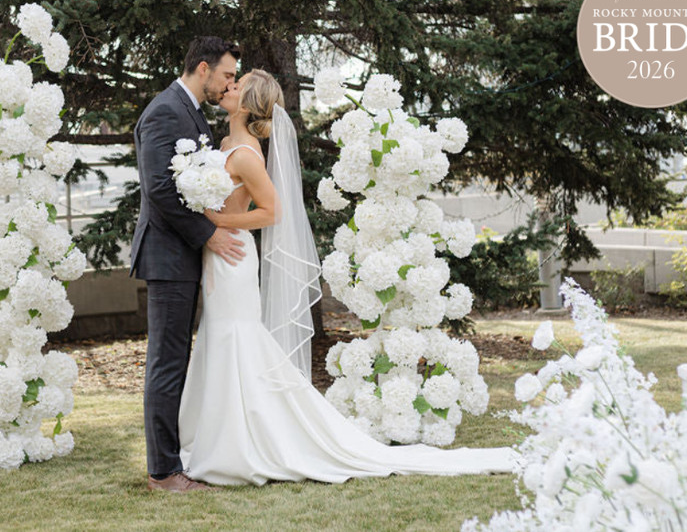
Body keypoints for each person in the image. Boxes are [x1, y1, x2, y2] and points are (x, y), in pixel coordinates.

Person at [176, 69, 516, 486]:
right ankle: (219, 435)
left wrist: (217, 220)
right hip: (218, 257)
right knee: (219, 335)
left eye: (237, 84)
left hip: (233, 255)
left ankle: (242, 444)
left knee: (237, 338)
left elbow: (273, 211)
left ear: (247, 104)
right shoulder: (227, 143)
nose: (229, 86)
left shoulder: (246, 153)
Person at [130, 37, 245, 493]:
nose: (229, 83)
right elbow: (159, 189)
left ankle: (176, 458)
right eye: (227, 75)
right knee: (167, 361)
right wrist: (209, 234)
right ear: (203, 68)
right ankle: (162, 471)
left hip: (184, 257)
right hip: (167, 257)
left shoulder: (192, 112)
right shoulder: (164, 111)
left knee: (176, 359)